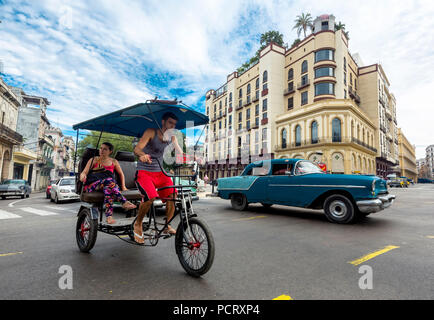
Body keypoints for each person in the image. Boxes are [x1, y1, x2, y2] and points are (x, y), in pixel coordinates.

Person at [133, 112, 184, 244]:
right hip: (144, 171)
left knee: (173, 195)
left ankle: (167, 226)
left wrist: (193, 158)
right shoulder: (151, 132)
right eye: (170, 123)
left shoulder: (172, 137)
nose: (172, 126)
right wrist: (142, 155)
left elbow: (179, 151)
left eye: (174, 124)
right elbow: (137, 149)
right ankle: (138, 224)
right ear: (163, 122)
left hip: (160, 172)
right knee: (150, 196)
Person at [80, 142, 136, 224]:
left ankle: (109, 217)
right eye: (101, 148)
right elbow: (84, 172)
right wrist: (82, 176)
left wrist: (123, 186)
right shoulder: (94, 159)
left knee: (108, 188)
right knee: (109, 181)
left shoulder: (114, 161)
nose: (101, 151)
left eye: (105, 149)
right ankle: (124, 202)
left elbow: (121, 174)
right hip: (93, 185)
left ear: (110, 152)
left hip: (108, 185)